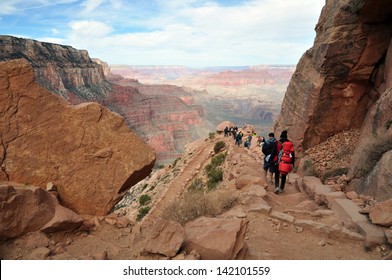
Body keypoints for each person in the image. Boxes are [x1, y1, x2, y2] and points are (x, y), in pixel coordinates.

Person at [269, 130, 295, 194]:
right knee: (284, 174)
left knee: (277, 173)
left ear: (280, 136)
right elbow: (292, 153)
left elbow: (273, 152)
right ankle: (282, 188)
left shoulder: (277, 142)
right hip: (286, 161)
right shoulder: (290, 143)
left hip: (278, 161)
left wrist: (270, 160)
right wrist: (292, 162)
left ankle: (276, 187)